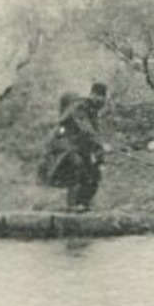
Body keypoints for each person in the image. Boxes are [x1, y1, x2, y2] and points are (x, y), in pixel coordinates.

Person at [40, 81, 108, 211]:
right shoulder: (80, 106)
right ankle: (72, 205)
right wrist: (99, 143)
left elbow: (94, 134)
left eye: (103, 97)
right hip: (62, 144)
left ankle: (84, 203)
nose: (101, 100)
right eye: (98, 96)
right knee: (77, 166)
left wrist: (100, 157)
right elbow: (86, 128)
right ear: (92, 95)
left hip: (78, 147)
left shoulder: (94, 112)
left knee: (94, 173)